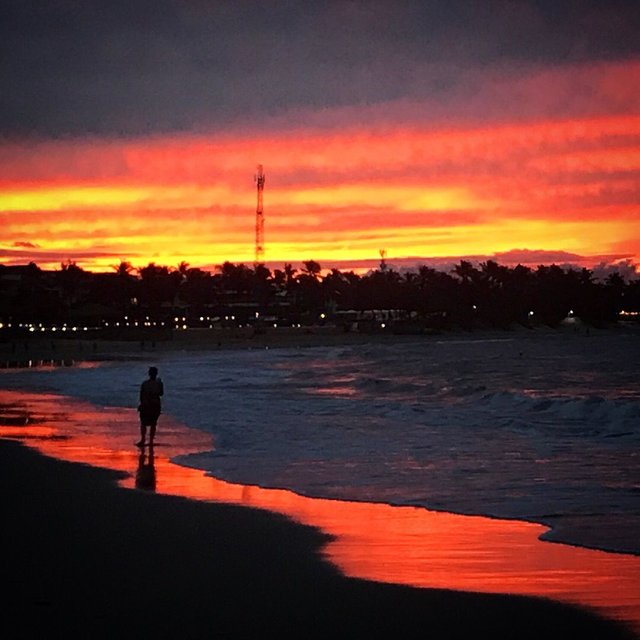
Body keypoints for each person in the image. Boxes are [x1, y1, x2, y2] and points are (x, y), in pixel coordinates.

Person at [136, 366, 164, 447]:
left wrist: (141, 404)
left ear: (149, 374)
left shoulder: (145, 383)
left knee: (144, 423)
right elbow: (161, 393)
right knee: (153, 424)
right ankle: (150, 441)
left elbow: (141, 395)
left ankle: (143, 440)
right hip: (155, 405)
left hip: (146, 404)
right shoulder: (158, 384)